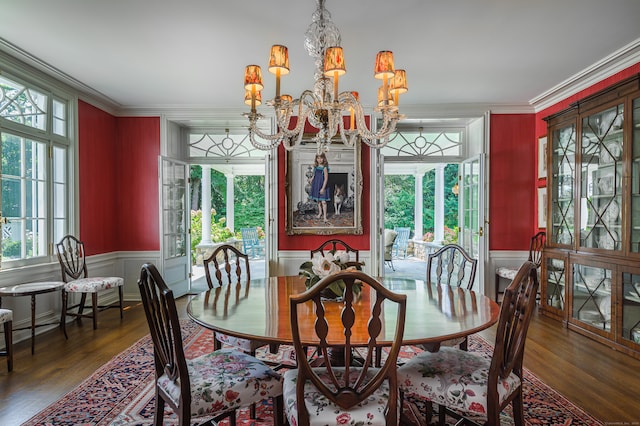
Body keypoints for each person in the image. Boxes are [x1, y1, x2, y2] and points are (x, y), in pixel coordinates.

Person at [310, 153, 331, 222]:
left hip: (322, 185)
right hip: (316, 185)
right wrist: (311, 179)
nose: (319, 160)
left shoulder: (325, 168)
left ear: (324, 159)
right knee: (318, 201)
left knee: (323, 202)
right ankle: (320, 213)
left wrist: (323, 188)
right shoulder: (316, 167)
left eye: (321, 158)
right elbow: (314, 175)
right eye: (318, 158)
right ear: (316, 159)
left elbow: (326, 179)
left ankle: (325, 217)